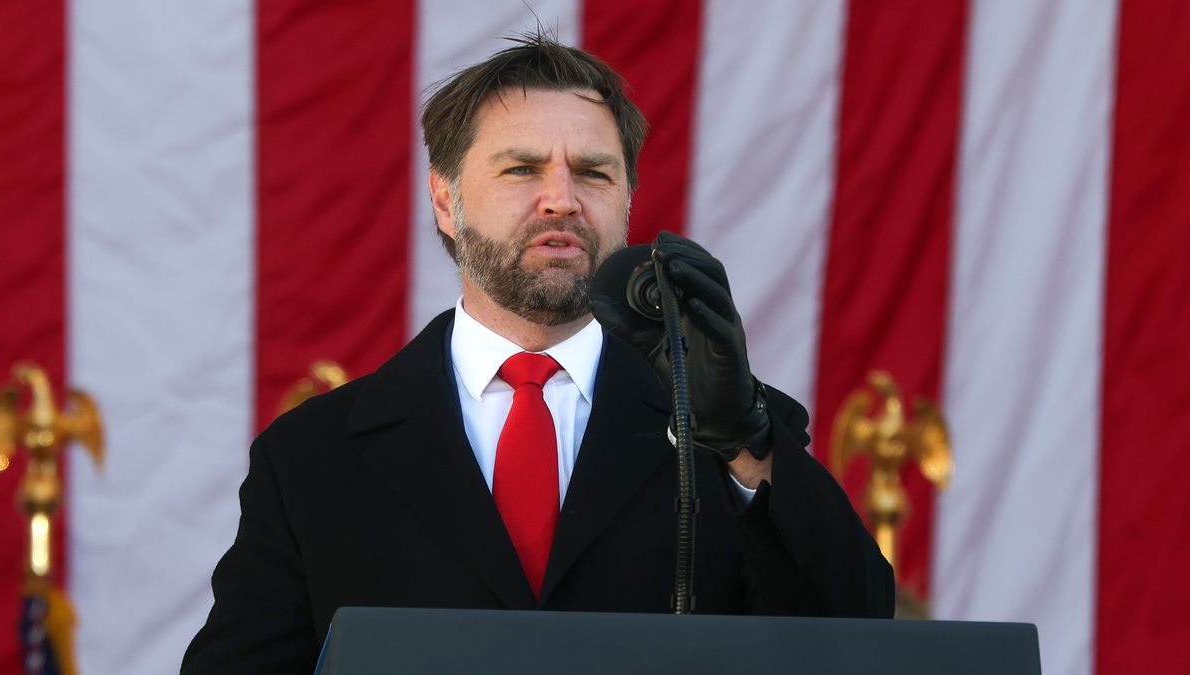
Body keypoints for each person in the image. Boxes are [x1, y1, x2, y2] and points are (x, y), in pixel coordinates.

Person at [182, 31, 893, 673]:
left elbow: (856, 633)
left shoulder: (730, 429)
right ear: (444, 200)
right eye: (522, 169)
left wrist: (744, 438)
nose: (561, 199)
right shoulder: (311, 456)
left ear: (628, 201)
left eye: (593, 172)